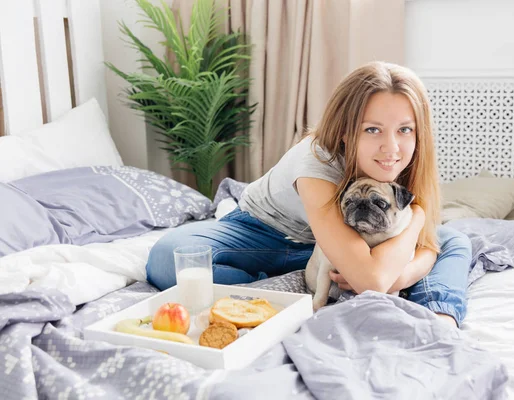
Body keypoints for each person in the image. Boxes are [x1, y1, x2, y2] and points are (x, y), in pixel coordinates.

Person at [146, 61, 472, 328]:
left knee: (455, 240)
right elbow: (374, 280)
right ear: (345, 132)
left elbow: (419, 249)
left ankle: (438, 320)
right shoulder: (317, 163)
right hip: (265, 231)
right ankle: (277, 285)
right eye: (372, 129)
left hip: (337, 246)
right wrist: (416, 218)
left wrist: (399, 273)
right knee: (168, 259)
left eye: (405, 129)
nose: (392, 147)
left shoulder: (411, 161)